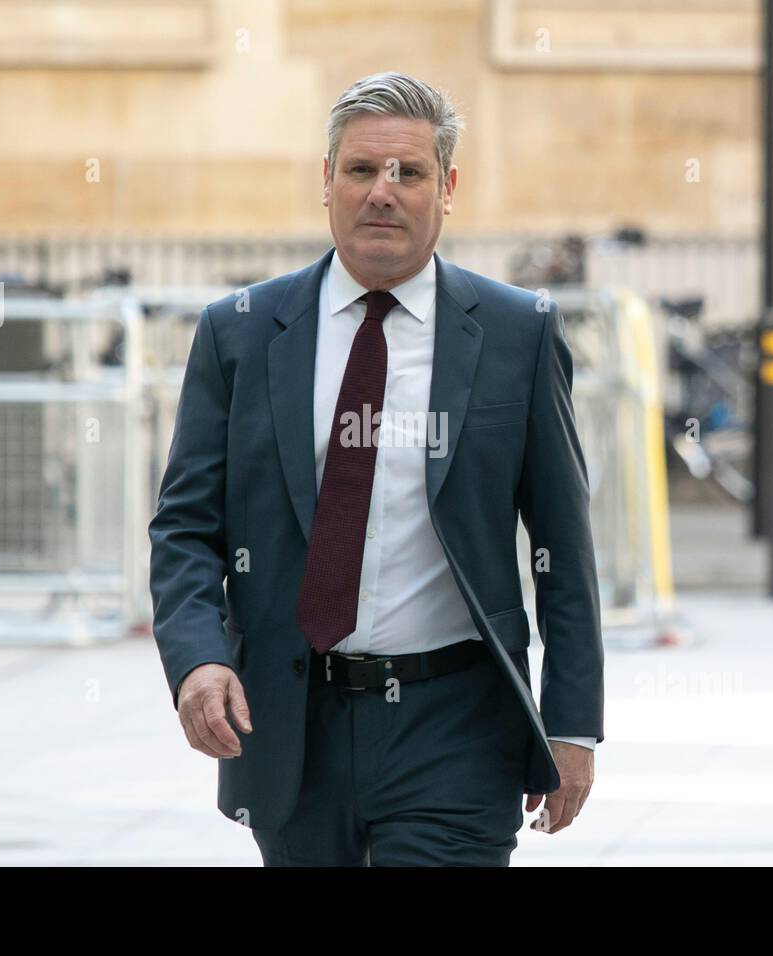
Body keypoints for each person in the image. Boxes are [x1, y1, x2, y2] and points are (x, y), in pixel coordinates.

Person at [148, 71, 603, 866]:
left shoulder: (516, 334)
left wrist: (571, 723)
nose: (382, 193)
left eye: (409, 173)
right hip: (291, 725)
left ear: (448, 187)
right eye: (360, 171)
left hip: (458, 727)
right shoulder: (241, 334)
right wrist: (198, 658)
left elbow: (563, 545)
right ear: (326, 182)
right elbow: (187, 525)